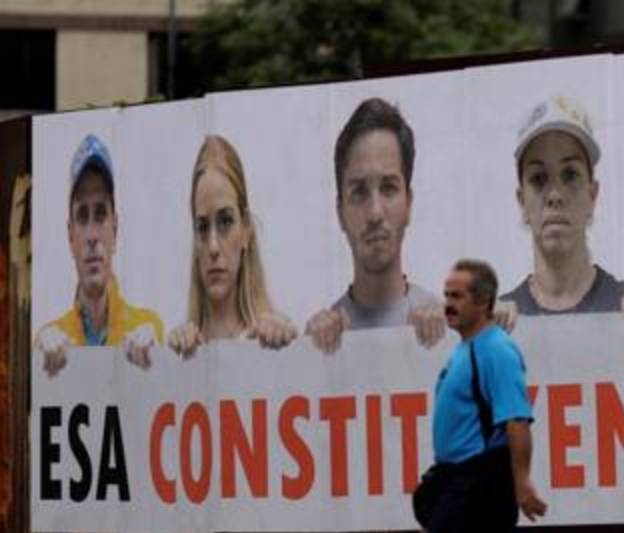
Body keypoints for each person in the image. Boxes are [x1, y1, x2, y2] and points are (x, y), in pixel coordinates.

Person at [368, 259, 610, 533]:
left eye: (457, 297)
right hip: (463, 480)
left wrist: (522, 483)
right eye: (446, 296)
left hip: (478, 481)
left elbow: (517, 421)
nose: (448, 305)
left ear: (483, 301)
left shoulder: (495, 350)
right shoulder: (467, 349)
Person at [502, 95, 624, 326]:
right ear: (522, 202)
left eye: (570, 175)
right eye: (538, 178)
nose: (555, 195)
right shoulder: (494, 327)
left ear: (592, 195)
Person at [304, 97, 446, 353]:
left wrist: (454, 340)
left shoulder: (450, 330)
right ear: (340, 212)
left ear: (409, 203)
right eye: (359, 191)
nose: (375, 212)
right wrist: (306, 355)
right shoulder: (318, 342)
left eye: (389, 188)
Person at [35, 134, 163, 376]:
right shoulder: (48, 342)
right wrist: (39, 375)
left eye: (101, 214)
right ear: (70, 236)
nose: (92, 235)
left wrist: (158, 367)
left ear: (115, 230)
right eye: (83, 216)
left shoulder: (148, 330)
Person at [168, 135, 297, 356]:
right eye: (202, 226)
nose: (213, 247)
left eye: (225, 221)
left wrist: (292, 350)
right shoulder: (176, 351)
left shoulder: (277, 338)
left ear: (245, 228)